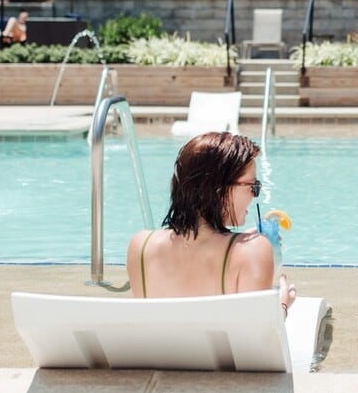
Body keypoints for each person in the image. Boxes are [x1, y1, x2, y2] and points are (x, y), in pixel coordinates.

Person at [127, 132, 297, 314]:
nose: (255, 195)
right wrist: (283, 305)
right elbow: (258, 339)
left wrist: (240, 243)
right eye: (253, 187)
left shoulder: (141, 246)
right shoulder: (254, 251)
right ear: (220, 191)